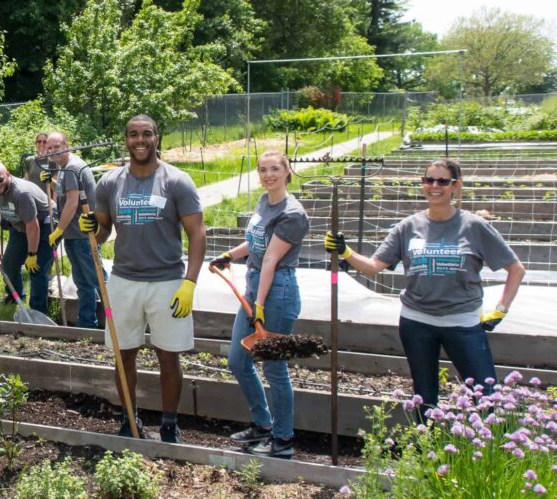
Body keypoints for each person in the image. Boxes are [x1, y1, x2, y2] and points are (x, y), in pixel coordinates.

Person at [324, 158, 525, 416]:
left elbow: (516, 269)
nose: (435, 186)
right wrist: (346, 251)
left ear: (456, 185)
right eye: (428, 180)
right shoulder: (408, 226)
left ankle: (489, 451)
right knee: (424, 396)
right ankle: (424, 449)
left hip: (462, 323)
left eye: (443, 181)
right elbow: (374, 266)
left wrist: (500, 309)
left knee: (486, 397)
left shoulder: (474, 226)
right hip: (416, 322)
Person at [78, 114, 205, 443]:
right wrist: (94, 228)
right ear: (126, 140)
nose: (140, 140)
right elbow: (104, 230)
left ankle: (169, 424)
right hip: (124, 281)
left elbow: (197, 233)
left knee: (168, 355)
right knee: (124, 354)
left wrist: (190, 282)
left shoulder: (177, 181)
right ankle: (128, 419)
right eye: (133, 135)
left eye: (146, 134)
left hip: (167, 282)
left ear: (157, 137)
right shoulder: (110, 182)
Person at [210, 150, 308, 458]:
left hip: (276, 293)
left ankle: (283, 440)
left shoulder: (292, 214)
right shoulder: (265, 201)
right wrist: (229, 255)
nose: (269, 174)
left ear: (287, 171)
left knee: (274, 368)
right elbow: (255, 243)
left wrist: (261, 305)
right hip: (256, 289)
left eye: (275, 169)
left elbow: (270, 258)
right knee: (238, 361)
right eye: (263, 169)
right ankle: (263, 424)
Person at [43, 131, 103, 329]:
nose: (52, 151)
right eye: (49, 148)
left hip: (82, 235)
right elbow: (69, 191)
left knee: (96, 281)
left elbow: (71, 203)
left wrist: (59, 230)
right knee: (84, 282)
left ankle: (117, 319)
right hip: (76, 234)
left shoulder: (71, 168)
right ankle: (88, 325)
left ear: (67, 145)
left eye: (57, 147)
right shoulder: (66, 168)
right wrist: (50, 182)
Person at [0, 162, 53, 314]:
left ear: (7, 174)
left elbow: (33, 226)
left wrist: (32, 254)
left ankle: (38, 311)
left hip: (46, 222)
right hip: (20, 225)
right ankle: (15, 296)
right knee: (9, 265)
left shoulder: (21, 192)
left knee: (36, 268)